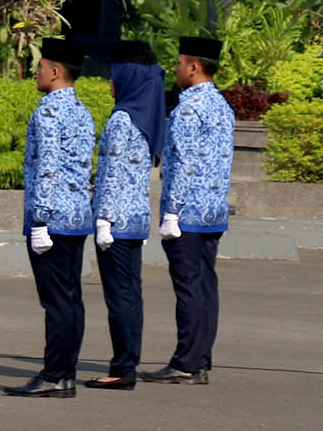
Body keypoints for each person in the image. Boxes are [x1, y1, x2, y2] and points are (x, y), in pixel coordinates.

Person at [5, 38, 96, 399]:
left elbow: (47, 169)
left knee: (56, 301)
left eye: (41, 67)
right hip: (76, 216)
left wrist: (39, 220)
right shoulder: (83, 111)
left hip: (52, 218)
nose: (36, 72)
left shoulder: (47, 112)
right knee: (71, 298)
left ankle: (55, 374)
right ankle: (66, 372)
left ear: (56, 72)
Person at [142, 35, 234, 385]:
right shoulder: (221, 105)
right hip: (212, 210)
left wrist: (171, 213)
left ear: (194, 67)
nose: (175, 69)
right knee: (206, 286)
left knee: (189, 288)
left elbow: (182, 165)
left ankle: (187, 361)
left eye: (180, 63)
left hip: (187, 213)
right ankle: (201, 359)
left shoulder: (188, 108)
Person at [84, 40, 166, 392]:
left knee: (119, 297)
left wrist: (102, 219)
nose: (109, 83)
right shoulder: (147, 116)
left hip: (114, 221)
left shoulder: (121, 119)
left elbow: (111, 174)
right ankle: (127, 361)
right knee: (131, 294)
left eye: (113, 76)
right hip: (134, 219)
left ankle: (122, 368)